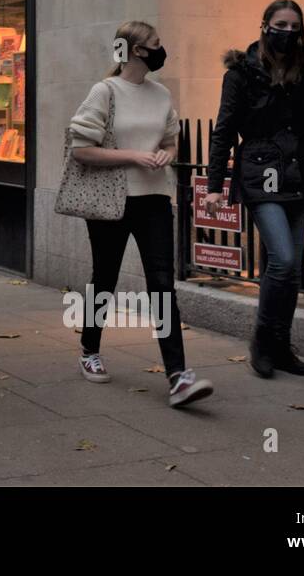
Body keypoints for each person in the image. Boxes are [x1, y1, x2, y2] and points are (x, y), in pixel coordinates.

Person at [67, 20, 214, 408]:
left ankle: (178, 376)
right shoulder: (105, 91)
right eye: (155, 44)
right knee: (105, 277)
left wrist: (168, 152)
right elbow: (80, 148)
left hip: (153, 200)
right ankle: (89, 349)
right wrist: (133, 155)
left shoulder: (162, 94)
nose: (161, 50)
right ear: (134, 51)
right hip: (112, 201)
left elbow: (171, 139)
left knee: (163, 285)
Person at [204, 0, 304, 379]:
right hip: (260, 172)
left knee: (291, 270)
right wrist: (214, 187)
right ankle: (262, 341)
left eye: (295, 26)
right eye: (281, 24)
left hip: (298, 172)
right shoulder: (241, 73)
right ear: (265, 25)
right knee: (283, 260)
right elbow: (224, 131)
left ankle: (281, 345)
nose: (288, 32)